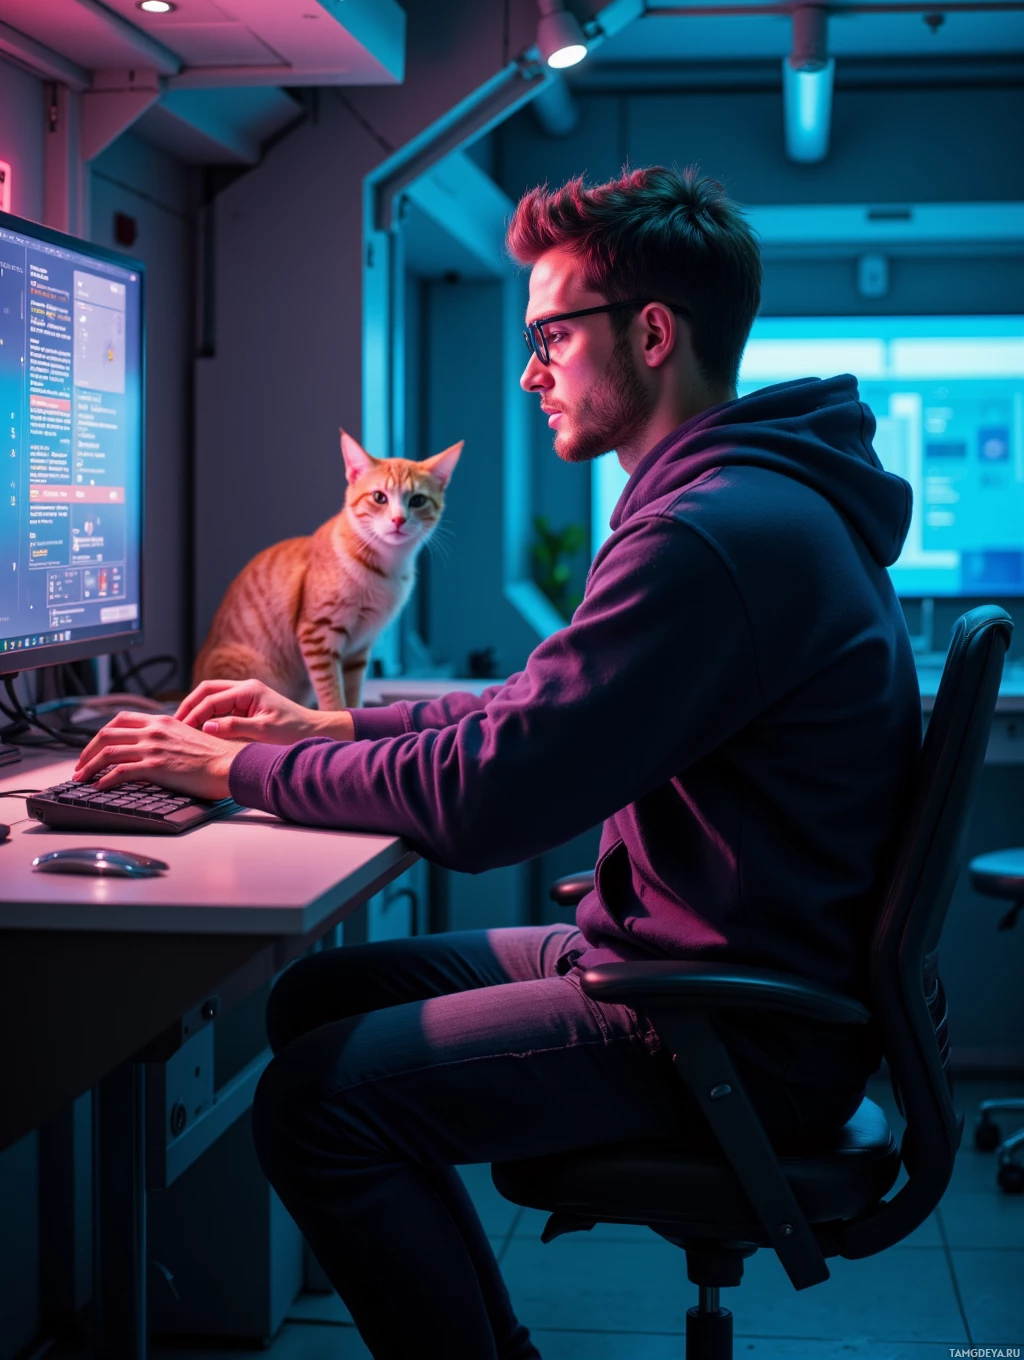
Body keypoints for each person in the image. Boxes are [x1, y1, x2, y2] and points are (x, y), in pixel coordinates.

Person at [74, 166, 922, 1360]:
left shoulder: (708, 534)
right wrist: (323, 731)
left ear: (652, 333)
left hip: (725, 1022)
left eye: (549, 339)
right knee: (320, 996)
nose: (528, 374)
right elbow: (535, 711)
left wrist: (230, 775)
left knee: (316, 1105)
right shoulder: (739, 500)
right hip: (709, 958)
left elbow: (489, 798)